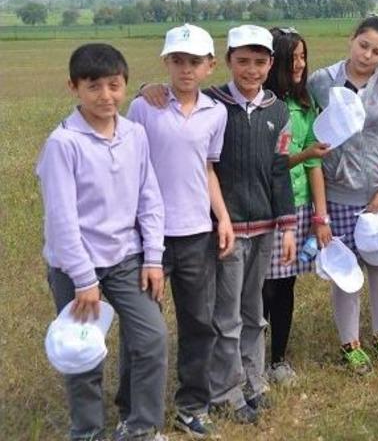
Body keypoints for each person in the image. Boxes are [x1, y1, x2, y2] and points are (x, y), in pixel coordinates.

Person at [140, 24, 298, 422]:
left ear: (270, 64)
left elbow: (280, 168)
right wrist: (146, 86)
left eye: (259, 62)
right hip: (222, 229)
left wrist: (288, 224)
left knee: (254, 308)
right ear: (225, 62)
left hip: (263, 225)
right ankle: (226, 390)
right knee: (225, 314)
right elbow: (175, 91)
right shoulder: (213, 102)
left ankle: (254, 379)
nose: (251, 70)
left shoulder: (278, 110)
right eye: (242, 61)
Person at [36, 43, 168, 441]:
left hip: (128, 258)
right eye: (94, 87)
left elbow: (150, 197)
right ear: (73, 87)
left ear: (125, 85)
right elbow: (62, 219)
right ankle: (87, 431)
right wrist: (82, 279)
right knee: (84, 351)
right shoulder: (63, 143)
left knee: (152, 337)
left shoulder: (135, 134)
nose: (106, 96)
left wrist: (154, 258)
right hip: (77, 267)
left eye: (114, 85)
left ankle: (140, 427)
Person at [126, 24, 231, 438]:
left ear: (209, 67)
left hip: (195, 233)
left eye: (194, 62)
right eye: (177, 61)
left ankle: (191, 406)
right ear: (166, 63)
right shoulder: (144, 107)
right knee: (142, 328)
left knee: (197, 322)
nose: (185, 70)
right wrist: (144, 88)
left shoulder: (215, 113)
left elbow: (207, 168)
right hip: (147, 235)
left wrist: (220, 217)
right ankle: (135, 412)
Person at [307, 17, 378, 375]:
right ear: (351, 40)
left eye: (377, 51)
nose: (367, 55)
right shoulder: (321, 82)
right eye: (363, 45)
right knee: (345, 270)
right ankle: (350, 344)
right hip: (340, 195)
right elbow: (303, 130)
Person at [262, 27, 332, 385]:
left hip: (299, 206)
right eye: (293, 58)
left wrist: (321, 216)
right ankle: (254, 359)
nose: (300, 64)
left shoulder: (305, 104)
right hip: (265, 208)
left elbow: (314, 162)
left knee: (285, 285)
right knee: (261, 287)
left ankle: (278, 358)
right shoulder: (262, 105)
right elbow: (273, 162)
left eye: (304, 57)